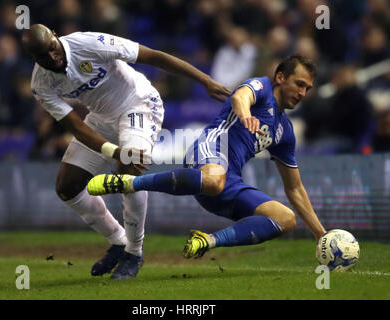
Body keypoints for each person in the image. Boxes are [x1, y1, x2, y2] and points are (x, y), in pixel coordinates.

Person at [22, 24, 230, 279]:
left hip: (138, 104)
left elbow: (153, 56)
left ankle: (134, 252)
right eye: (43, 56)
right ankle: (119, 241)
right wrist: (112, 150)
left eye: (52, 48)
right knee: (67, 187)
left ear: (55, 35)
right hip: (100, 119)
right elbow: (75, 126)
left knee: (129, 170)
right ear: (34, 58)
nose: (52, 57)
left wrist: (205, 81)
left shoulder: (89, 43)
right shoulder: (40, 83)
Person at [87, 55, 327, 259]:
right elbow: (239, 97)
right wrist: (244, 115)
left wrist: (321, 235)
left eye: (307, 88)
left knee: (285, 218)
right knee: (214, 180)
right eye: (299, 84)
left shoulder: (284, 130)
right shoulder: (262, 87)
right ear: (280, 78)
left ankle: (208, 241)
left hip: (229, 180)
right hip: (211, 148)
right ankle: (127, 182)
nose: (303, 92)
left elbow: (294, 189)